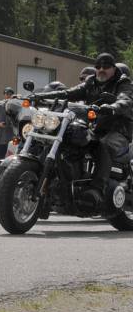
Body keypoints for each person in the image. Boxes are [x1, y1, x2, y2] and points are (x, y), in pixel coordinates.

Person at [35, 53, 133, 203]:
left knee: (103, 145)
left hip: (118, 128)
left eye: (106, 66)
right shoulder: (91, 82)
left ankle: (97, 188)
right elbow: (69, 93)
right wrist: (40, 96)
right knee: (70, 141)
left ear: (113, 68)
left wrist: (113, 107)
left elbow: (125, 99)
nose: (101, 69)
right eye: (98, 66)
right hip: (96, 126)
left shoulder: (123, 82)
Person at [0, 87, 16, 161]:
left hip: (14, 140)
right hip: (0, 140)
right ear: (4, 95)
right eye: (7, 94)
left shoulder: (17, 107)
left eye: (10, 94)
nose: (8, 96)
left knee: (13, 161)